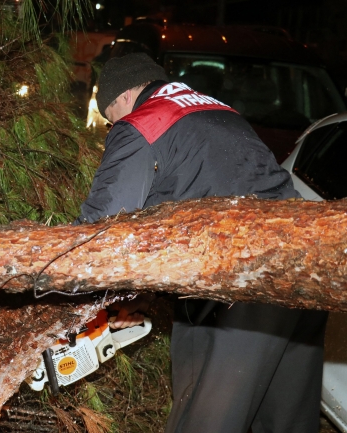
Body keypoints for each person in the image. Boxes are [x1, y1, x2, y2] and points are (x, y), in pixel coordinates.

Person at [76, 52, 328, 433]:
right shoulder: (218, 110)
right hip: (308, 270)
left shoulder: (143, 123)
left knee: (206, 420)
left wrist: (62, 298)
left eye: (113, 118)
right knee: (285, 420)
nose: (116, 127)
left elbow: (98, 237)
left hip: (244, 285)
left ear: (122, 98)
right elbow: (206, 192)